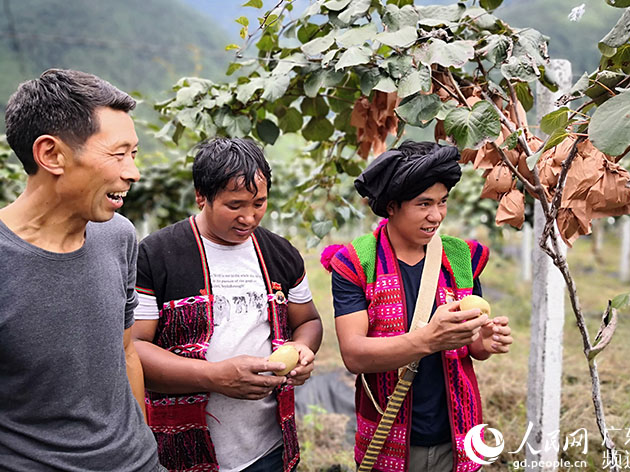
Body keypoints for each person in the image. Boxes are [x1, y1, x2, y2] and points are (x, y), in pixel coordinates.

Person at [0, 69, 160, 471]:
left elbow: (125, 352)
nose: (132, 172)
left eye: (134, 154)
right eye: (117, 153)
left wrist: (141, 444)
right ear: (51, 154)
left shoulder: (118, 235)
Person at [133, 137, 323, 472]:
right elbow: (133, 349)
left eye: (259, 203)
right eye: (234, 206)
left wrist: (302, 348)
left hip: (267, 449)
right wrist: (213, 376)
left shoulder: (281, 254)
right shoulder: (156, 255)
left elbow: (308, 320)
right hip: (177, 453)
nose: (249, 218)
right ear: (201, 196)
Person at [322, 140, 513, 472]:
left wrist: (485, 341)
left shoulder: (461, 256)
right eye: (424, 204)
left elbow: (473, 347)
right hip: (388, 436)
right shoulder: (357, 262)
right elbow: (354, 355)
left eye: (442, 202)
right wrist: (429, 339)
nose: (436, 215)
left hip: (457, 435)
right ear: (391, 206)